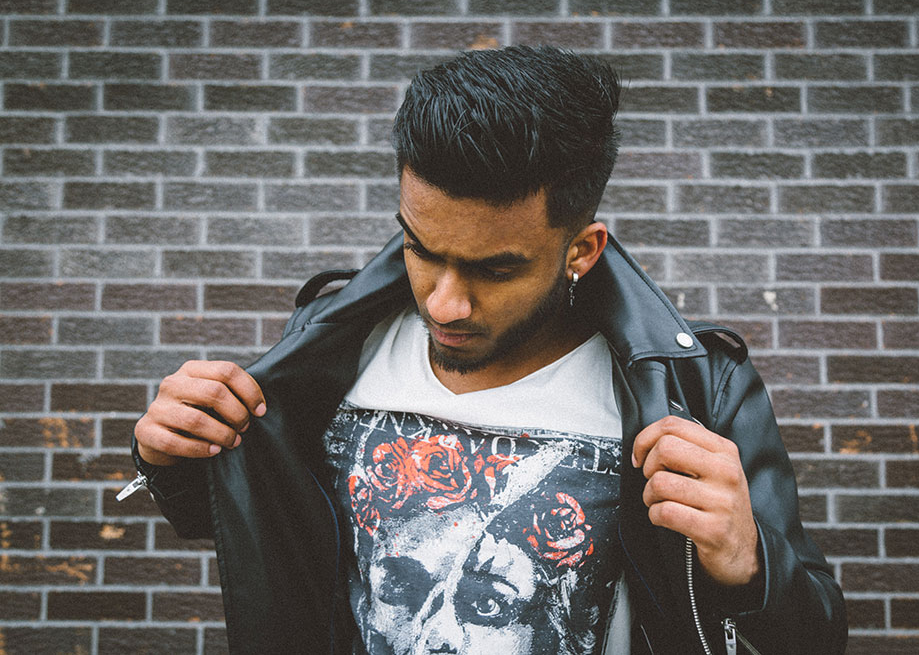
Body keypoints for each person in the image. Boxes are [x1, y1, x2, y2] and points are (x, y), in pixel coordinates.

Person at [127, 46, 847, 654]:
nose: (444, 302)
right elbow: (261, 525)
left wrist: (750, 566)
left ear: (581, 249)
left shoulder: (693, 391)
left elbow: (818, 634)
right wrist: (172, 454)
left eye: (494, 269)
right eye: (420, 249)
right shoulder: (331, 345)